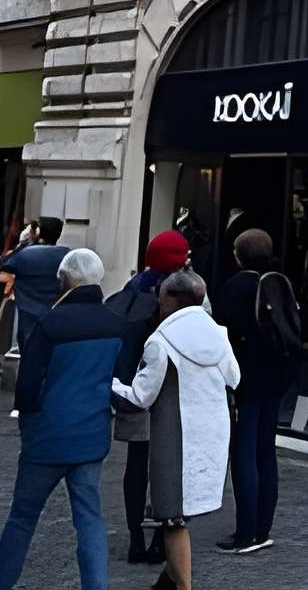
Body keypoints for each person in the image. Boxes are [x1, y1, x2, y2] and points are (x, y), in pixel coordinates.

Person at [0, 247, 126, 590]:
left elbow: (28, 384)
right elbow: (119, 377)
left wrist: (28, 420)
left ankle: (1, 581)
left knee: (23, 515)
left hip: (47, 435)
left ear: (66, 281)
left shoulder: (48, 323)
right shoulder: (116, 325)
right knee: (89, 517)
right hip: (91, 434)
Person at [112, 269, 239, 590]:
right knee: (183, 514)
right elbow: (234, 378)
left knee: (172, 518)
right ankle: (167, 582)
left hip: (174, 440)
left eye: (161, 299)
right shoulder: (218, 334)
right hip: (211, 434)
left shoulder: (160, 341)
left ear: (172, 301)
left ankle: (181, 586)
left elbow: (141, 396)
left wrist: (108, 384)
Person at [213, 227, 308, 554]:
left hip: (246, 379)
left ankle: (246, 533)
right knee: (265, 450)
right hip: (277, 378)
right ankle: (263, 529)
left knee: (243, 452)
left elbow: (220, 335)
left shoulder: (234, 288)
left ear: (237, 255)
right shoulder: (281, 283)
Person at [105, 228, 193, 565]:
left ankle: (134, 540)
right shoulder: (186, 290)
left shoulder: (132, 289)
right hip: (172, 395)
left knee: (137, 467)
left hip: (133, 386)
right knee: (168, 468)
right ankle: (161, 537)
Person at [0, 214, 69, 349]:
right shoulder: (66, 254)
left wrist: (25, 243)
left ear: (37, 232)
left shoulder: (26, 254)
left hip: (28, 314)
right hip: (56, 315)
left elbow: (4, 264)